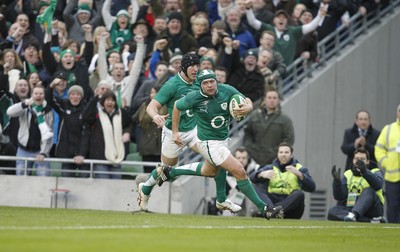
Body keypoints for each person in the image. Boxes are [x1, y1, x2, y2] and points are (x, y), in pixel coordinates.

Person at [155, 69, 284, 220]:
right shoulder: (194, 97)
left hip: (222, 140)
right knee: (239, 170)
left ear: (217, 81)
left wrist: (248, 107)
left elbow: (246, 100)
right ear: (200, 85)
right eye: (205, 83)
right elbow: (177, 106)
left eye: (212, 81)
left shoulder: (227, 90)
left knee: (209, 171)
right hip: (208, 143)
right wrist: (175, 132)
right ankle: (265, 209)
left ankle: (170, 172)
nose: (210, 85)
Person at [137, 53, 240, 214]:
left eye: (197, 65)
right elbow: (152, 106)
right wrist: (156, 116)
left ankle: (221, 199)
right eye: (191, 66)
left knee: (218, 156)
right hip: (173, 132)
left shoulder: (201, 81)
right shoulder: (172, 85)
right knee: (165, 171)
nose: (195, 69)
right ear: (183, 67)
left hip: (195, 131)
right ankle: (146, 187)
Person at [249, 142, 315, 219]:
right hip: (273, 200)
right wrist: (261, 174)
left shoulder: (300, 169)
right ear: (277, 154)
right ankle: (272, 211)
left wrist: (300, 175)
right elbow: (251, 178)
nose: (283, 154)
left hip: (291, 207)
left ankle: (271, 212)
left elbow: (312, 187)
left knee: (299, 194)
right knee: (254, 186)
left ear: (291, 154)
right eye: (281, 152)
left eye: (286, 152)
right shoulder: (270, 168)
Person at [328, 147, 385, 222]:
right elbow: (339, 197)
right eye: (357, 159)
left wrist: (364, 171)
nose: (359, 161)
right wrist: (337, 182)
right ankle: (370, 221)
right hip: (353, 207)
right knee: (332, 211)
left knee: (369, 190)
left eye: (362, 159)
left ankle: (354, 215)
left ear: (367, 161)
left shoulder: (375, 171)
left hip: (373, 209)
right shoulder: (348, 174)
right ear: (353, 160)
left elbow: (378, 185)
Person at [7, 85, 53, 176]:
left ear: (44, 95)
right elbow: (10, 112)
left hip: (40, 151)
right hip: (23, 150)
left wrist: (44, 153)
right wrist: (24, 104)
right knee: (21, 180)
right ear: (32, 95)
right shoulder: (25, 107)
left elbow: (49, 133)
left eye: (41, 93)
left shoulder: (48, 110)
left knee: (43, 180)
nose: (38, 96)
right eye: (36, 93)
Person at [244, 88, 294, 166]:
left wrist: (276, 152)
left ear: (278, 100)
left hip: (275, 162)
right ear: (264, 99)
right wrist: (251, 148)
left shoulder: (285, 120)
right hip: (255, 161)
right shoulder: (255, 116)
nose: (272, 100)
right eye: (269, 98)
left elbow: (289, 139)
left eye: (274, 98)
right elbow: (248, 133)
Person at [375, 104, 400, 223]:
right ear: (397, 113)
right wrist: (386, 163)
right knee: (393, 207)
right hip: (392, 176)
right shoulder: (389, 129)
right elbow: (379, 148)